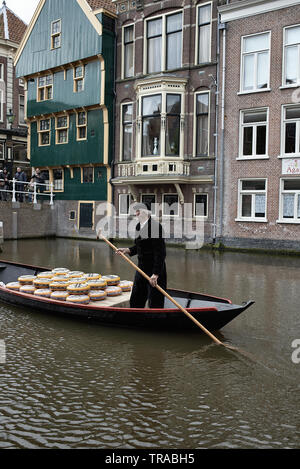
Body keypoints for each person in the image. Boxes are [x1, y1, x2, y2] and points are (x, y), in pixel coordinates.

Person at [117, 202, 167, 308]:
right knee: (136, 300)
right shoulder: (139, 226)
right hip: (141, 269)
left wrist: (156, 274)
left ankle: (155, 321)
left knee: (155, 302)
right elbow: (139, 247)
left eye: (138, 211)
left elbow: (161, 253)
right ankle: (136, 319)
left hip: (154, 271)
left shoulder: (155, 227)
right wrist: (127, 250)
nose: (136, 214)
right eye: (136, 211)